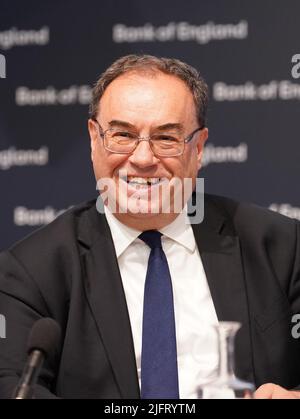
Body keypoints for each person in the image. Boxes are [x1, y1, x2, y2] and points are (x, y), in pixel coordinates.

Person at [1, 54, 300, 399]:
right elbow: (14, 388)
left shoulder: (280, 248)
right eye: (122, 135)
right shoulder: (32, 272)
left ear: (199, 147)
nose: (143, 159)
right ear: (93, 139)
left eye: (166, 139)